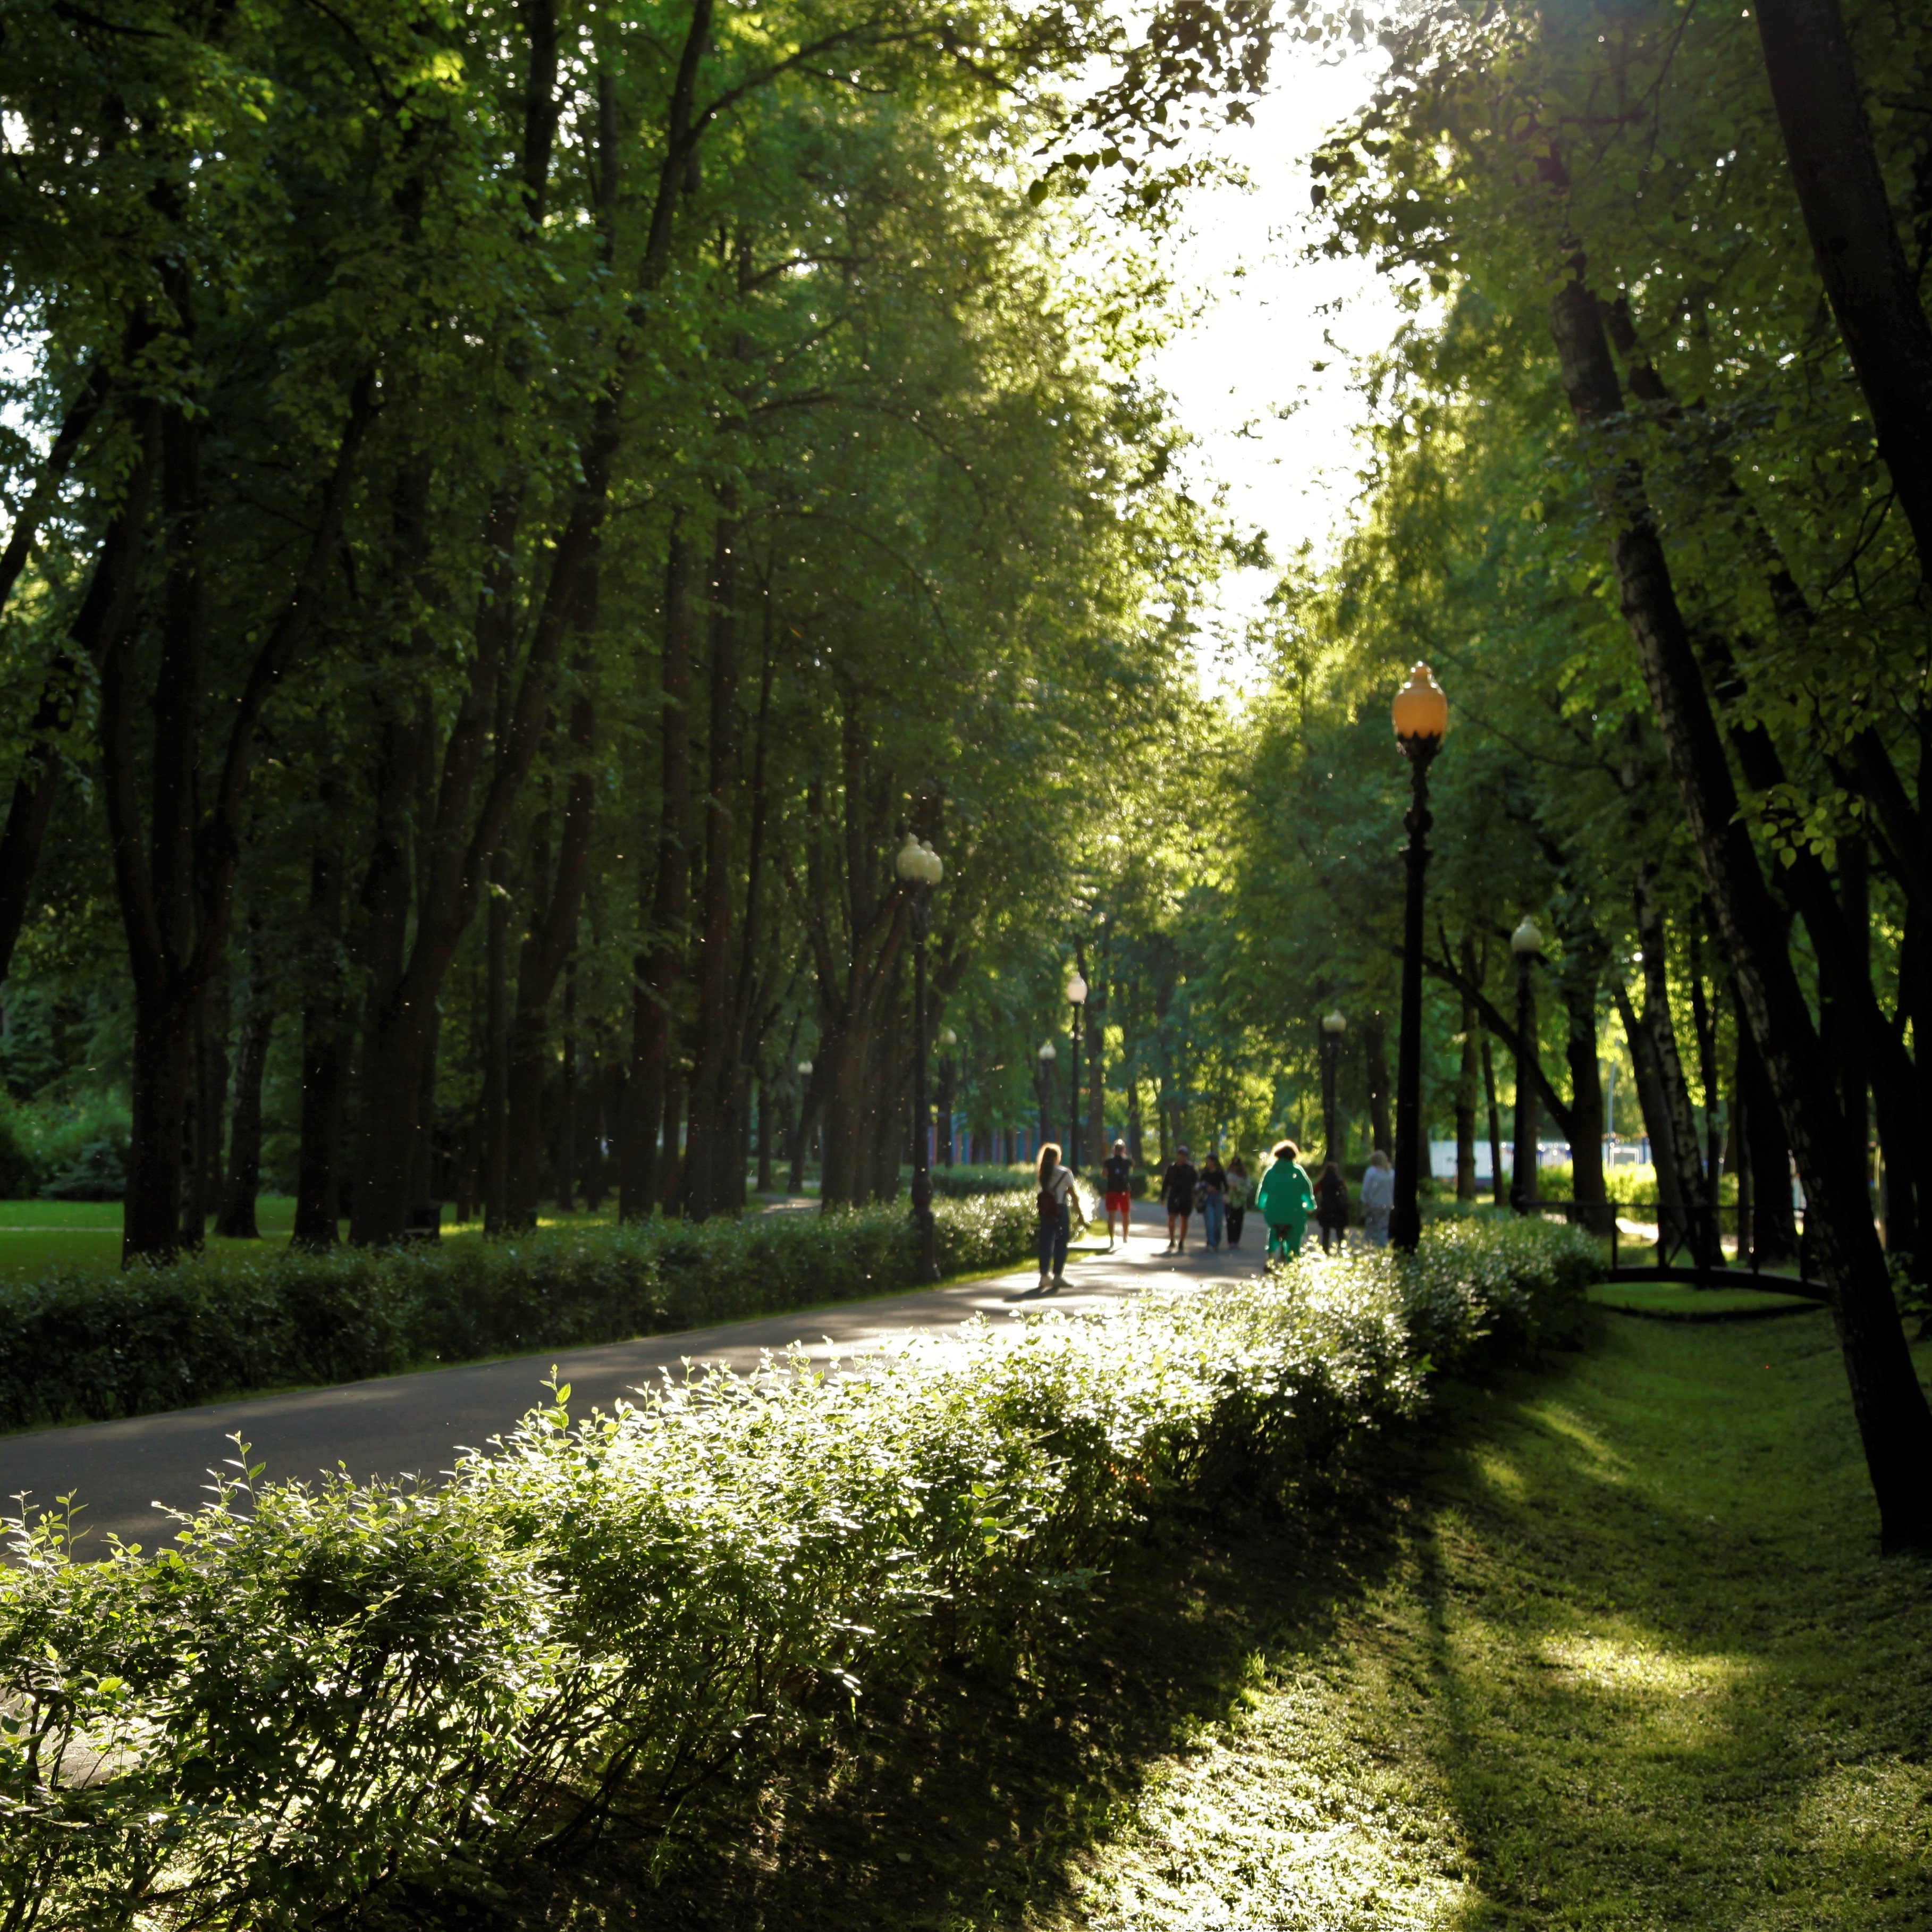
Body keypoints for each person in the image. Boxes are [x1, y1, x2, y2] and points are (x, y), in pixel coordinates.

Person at [1255, 1140, 1315, 1263]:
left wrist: (1261, 1205)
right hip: (1295, 1214)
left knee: (1273, 1230)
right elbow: (1307, 1193)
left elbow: (1263, 1193)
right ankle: (1292, 1260)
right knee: (1295, 1236)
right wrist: (1311, 1206)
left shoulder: (1270, 1172)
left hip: (1274, 1214)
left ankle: (1271, 1257)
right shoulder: (1298, 1172)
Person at [1035, 1141, 1077, 1290]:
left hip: (1047, 1210)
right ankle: (1058, 1276)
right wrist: (1080, 1215)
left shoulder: (1043, 1173)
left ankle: (1044, 1276)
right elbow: (1073, 1195)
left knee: (1046, 1242)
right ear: (1056, 1158)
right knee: (1061, 1241)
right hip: (1060, 1209)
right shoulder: (1065, 1172)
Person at [1161, 1144, 1199, 1253]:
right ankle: (1172, 1239)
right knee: (1172, 1217)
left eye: (1185, 1155)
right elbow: (1166, 1183)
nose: (1182, 1157)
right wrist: (1163, 1197)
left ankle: (1182, 1241)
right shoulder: (1171, 1168)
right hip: (1174, 1196)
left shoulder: (1191, 1169)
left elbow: (1197, 1184)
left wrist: (1196, 1197)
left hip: (1186, 1196)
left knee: (1184, 1219)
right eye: (1181, 1155)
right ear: (1177, 1155)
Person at [1100, 1137, 1135, 1248]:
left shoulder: (1108, 1161)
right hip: (1124, 1190)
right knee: (1125, 1214)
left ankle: (1112, 1239)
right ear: (1124, 1150)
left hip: (1112, 1190)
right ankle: (1125, 1236)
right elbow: (1133, 1165)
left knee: (1112, 1215)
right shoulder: (1127, 1161)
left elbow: (1104, 1174)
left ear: (1114, 1149)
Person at [1360, 1149, 1394, 1247]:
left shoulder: (1371, 1172)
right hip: (1388, 1205)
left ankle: (1371, 1247)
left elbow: (1366, 1190)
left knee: (1371, 1228)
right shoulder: (1391, 1174)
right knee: (1384, 1229)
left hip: (1374, 1205)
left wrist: (1365, 1202)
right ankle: (1382, 1248)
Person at [1315, 1160, 1351, 1253]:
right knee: (1340, 1230)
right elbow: (1346, 1192)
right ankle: (1340, 1248)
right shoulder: (1340, 1181)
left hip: (1326, 1208)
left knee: (1326, 1232)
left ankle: (1325, 1250)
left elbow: (1315, 1191)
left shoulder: (1323, 1181)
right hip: (1339, 1209)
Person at [1197, 1153, 1229, 1251]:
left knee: (1218, 1222)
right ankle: (1211, 1242)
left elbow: (1226, 1186)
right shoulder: (1204, 1173)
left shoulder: (1220, 1172)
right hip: (1208, 1199)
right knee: (1210, 1222)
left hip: (1218, 1198)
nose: (1208, 1163)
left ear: (1214, 1161)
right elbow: (1199, 1185)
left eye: (1210, 1161)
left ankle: (1217, 1241)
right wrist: (1207, 1187)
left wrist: (1225, 1196)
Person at [1225, 1155, 1251, 1247]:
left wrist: (1238, 1187)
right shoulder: (1228, 1174)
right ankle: (1231, 1240)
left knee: (1238, 1222)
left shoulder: (1244, 1176)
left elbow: (1247, 1189)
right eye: (1234, 1165)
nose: (1235, 1167)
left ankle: (1236, 1240)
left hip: (1240, 1202)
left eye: (1237, 1165)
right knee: (1230, 1222)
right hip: (1229, 1201)